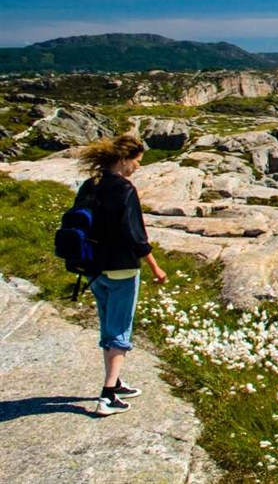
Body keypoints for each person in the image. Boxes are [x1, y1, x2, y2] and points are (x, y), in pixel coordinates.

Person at [75, 134, 168, 416]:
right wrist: (155, 266)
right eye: (137, 161)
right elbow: (135, 236)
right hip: (121, 267)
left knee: (108, 325)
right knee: (120, 330)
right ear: (125, 159)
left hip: (93, 267)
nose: (138, 167)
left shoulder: (90, 184)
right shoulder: (125, 189)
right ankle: (106, 397)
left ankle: (115, 383)